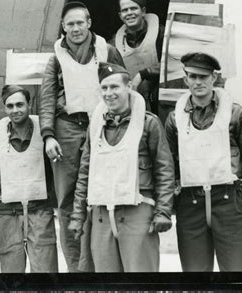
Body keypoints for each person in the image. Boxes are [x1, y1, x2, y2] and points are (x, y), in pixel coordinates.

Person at [39, 1, 125, 271]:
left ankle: (103, 263)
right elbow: (47, 98)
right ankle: (76, 267)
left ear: (89, 23)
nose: (75, 28)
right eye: (69, 24)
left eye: (80, 22)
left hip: (102, 127)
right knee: (66, 200)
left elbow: (124, 88)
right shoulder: (55, 58)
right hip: (66, 129)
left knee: (102, 192)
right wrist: (48, 136)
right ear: (63, 28)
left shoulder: (107, 50)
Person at [67, 62, 175, 272]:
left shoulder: (149, 124)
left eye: (115, 87)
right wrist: (78, 215)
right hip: (101, 217)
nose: (109, 93)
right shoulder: (96, 126)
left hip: (137, 211)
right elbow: (85, 173)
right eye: (104, 88)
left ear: (129, 87)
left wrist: (162, 211)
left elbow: (164, 170)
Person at [164, 52, 242, 271]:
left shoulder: (235, 113)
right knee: (195, 278)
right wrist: (175, 195)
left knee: (237, 275)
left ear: (214, 78)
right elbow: (169, 163)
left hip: (228, 202)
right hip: (191, 206)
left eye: (204, 76)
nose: (198, 82)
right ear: (185, 79)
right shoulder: (175, 118)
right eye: (193, 76)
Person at [0, 85, 58, 273]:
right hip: (6, 215)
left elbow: (55, 175)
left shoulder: (45, 135)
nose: (15, 110)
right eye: (10, 106)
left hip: (39, 213)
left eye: (19, 105)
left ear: (29, 104)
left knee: (46, 273)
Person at [112, 0, 165, 113]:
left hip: (161, 98)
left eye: (133, 8)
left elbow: (173, 63)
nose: (129, 13)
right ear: (120, 16)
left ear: (143, 11)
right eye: (125, 10)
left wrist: (143, 74)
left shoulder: (162, 33)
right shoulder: (114, 44)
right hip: (134, 103)